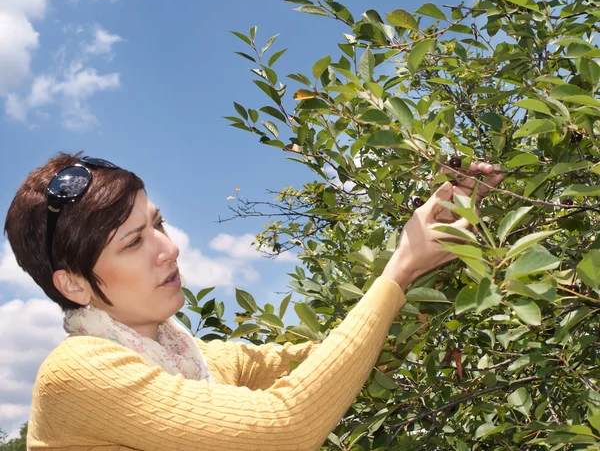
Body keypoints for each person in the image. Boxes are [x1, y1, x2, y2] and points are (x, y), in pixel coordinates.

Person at [4, 151, 503, 451]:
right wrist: (401, 267)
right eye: (133, 243)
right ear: (73, 285)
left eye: (157, 224)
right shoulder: (78, 372)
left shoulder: (200, 361)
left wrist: (431, 252)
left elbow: (350, 358)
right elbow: (282, 429)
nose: (170, 248)